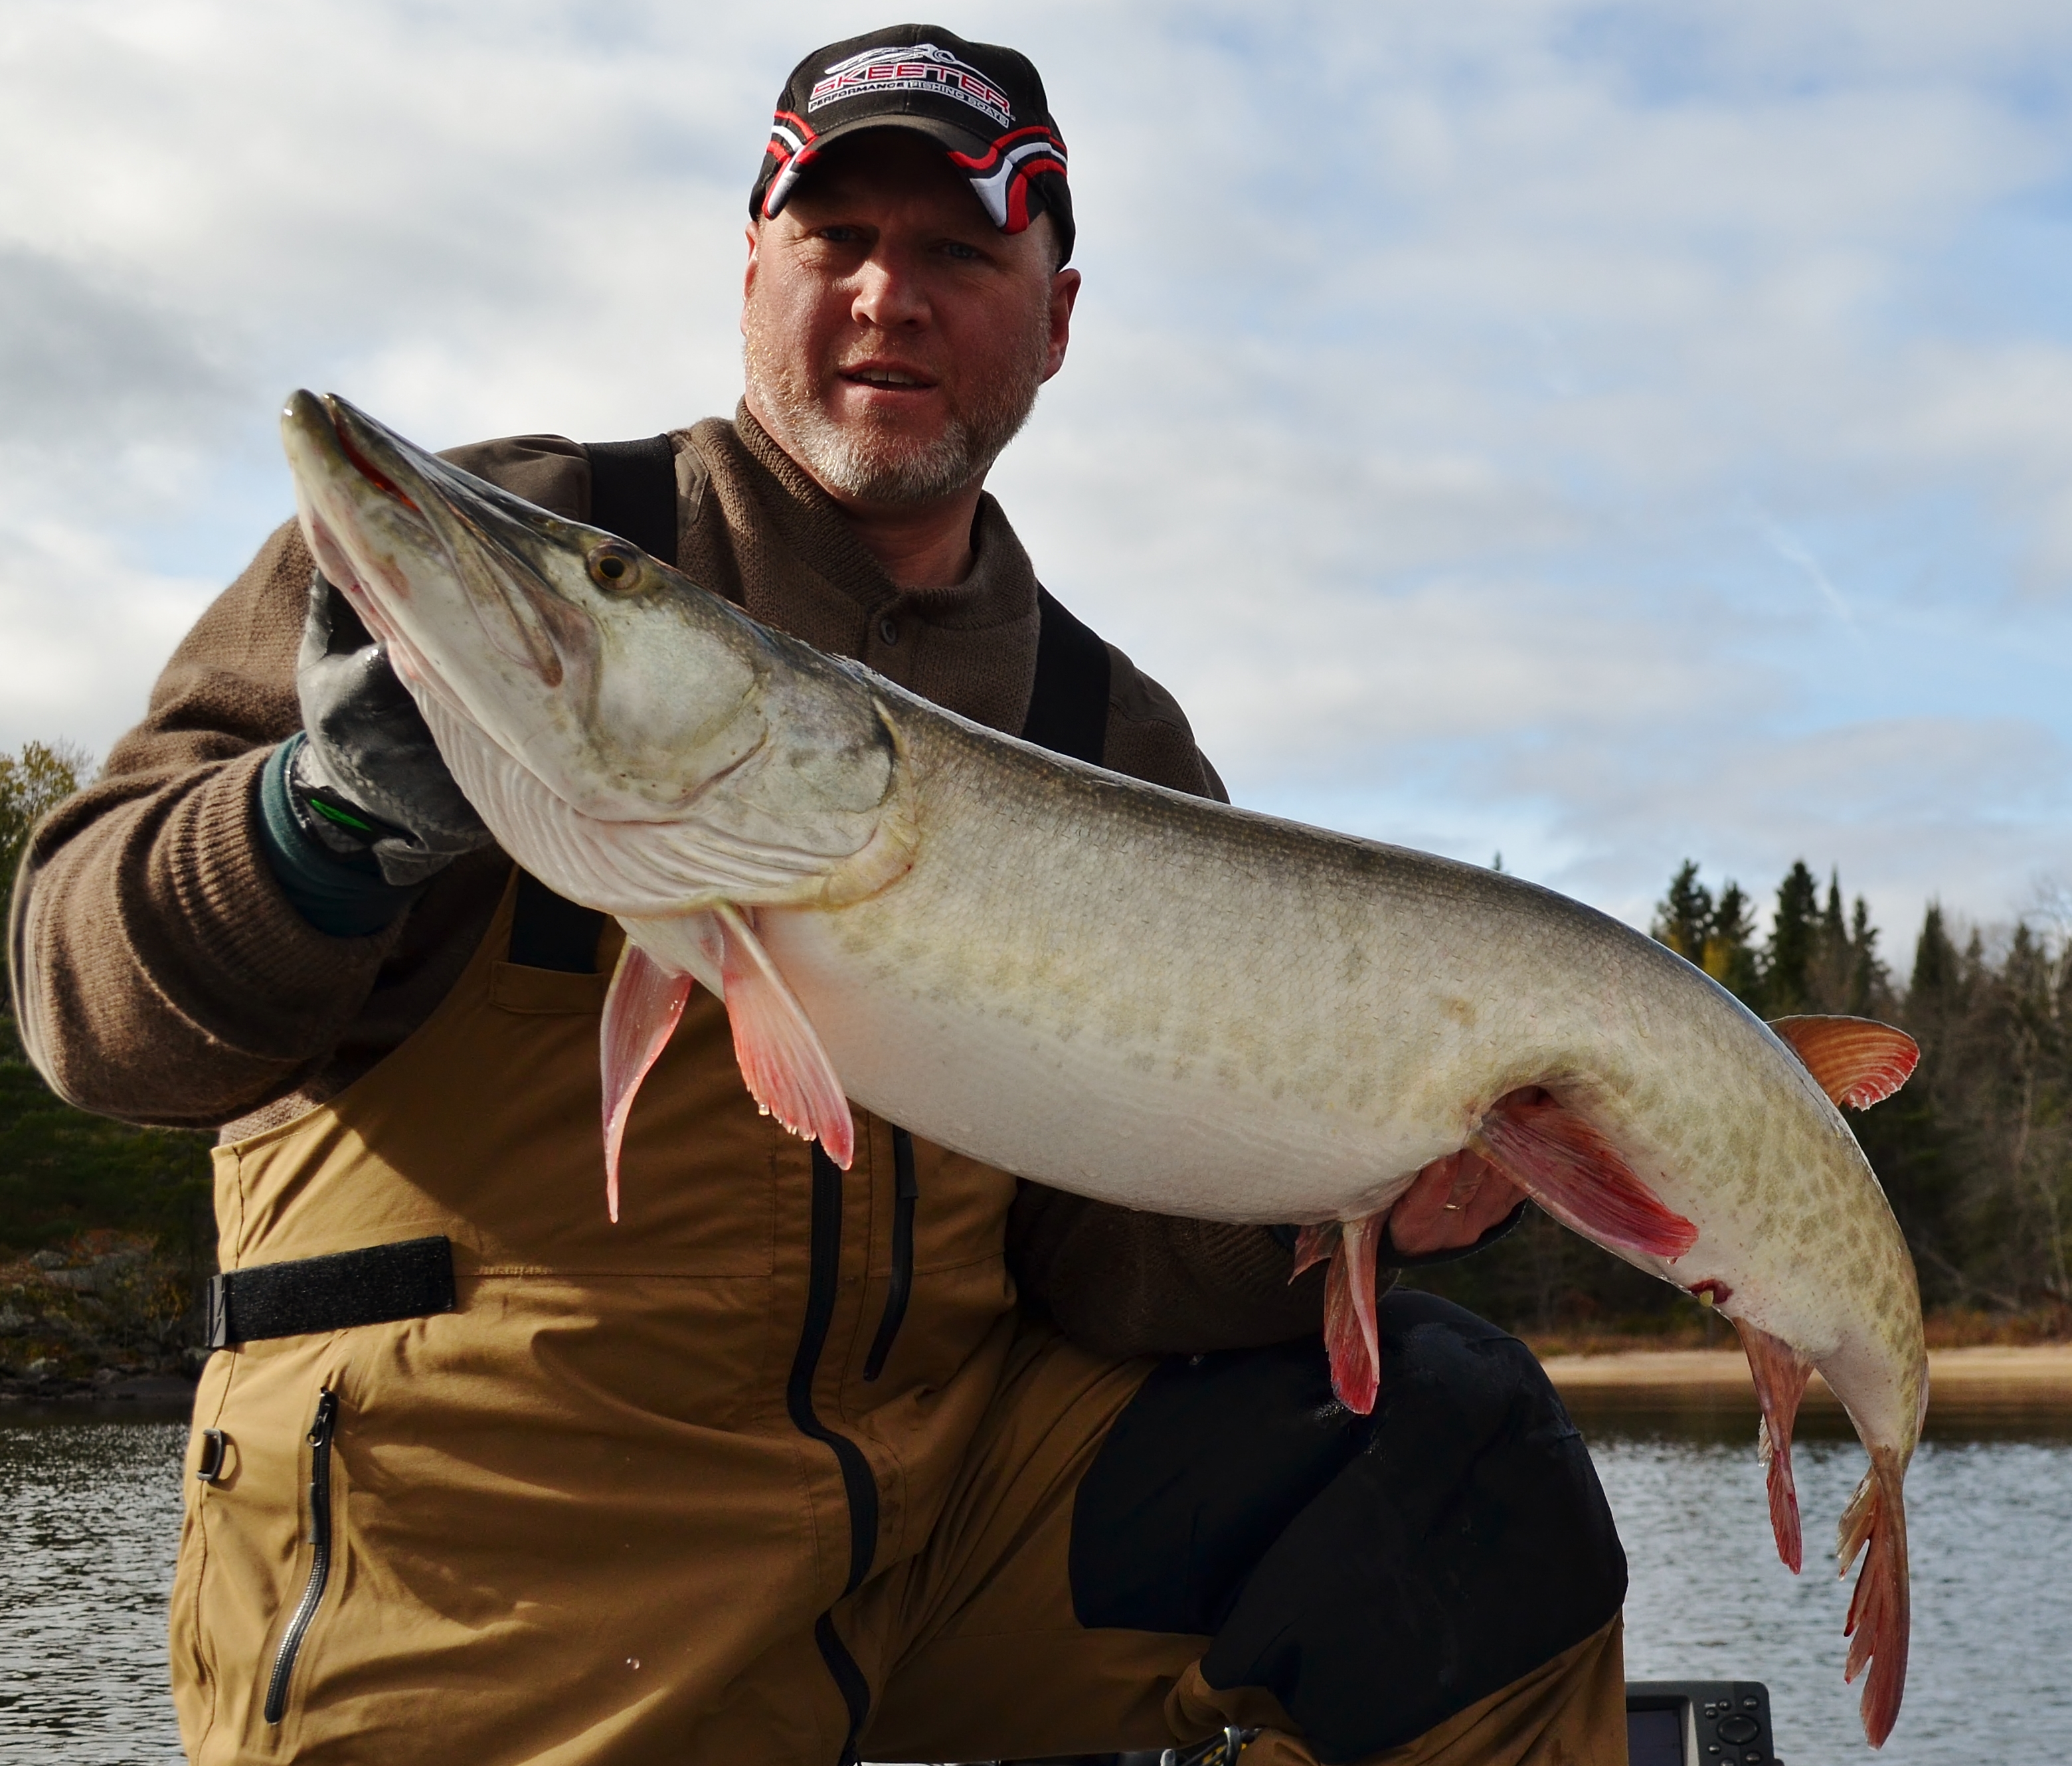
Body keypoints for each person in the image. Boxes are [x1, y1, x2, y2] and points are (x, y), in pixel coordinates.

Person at [9, 25, 1629, 1766]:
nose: (887, 294)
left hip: (907, 1560)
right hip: (460, 1577)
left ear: (1057, 319)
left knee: (1456, 1475)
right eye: (835, 237)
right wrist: (311, 823)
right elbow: (77, 1000)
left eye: (956, 251)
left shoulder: (1109, 737)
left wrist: (1368, 1176)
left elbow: (1123, 1272)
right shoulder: (507, 556)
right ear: (753, 273)